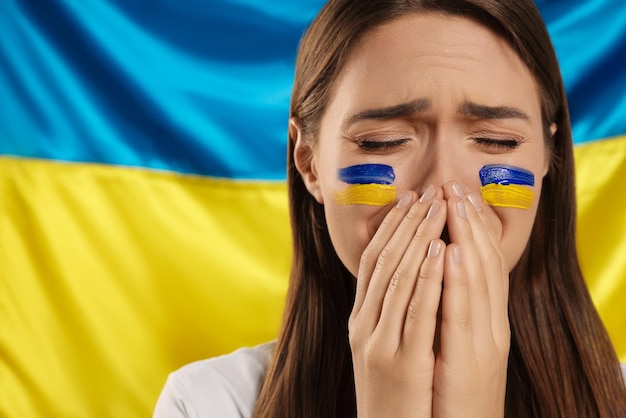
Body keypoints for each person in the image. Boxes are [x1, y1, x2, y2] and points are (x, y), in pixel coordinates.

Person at [154, 0, 626, 416]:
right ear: (310, 164)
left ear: (548, 157)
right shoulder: (208, 404)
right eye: (385, 142)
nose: (442, 187)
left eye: (495, 140)